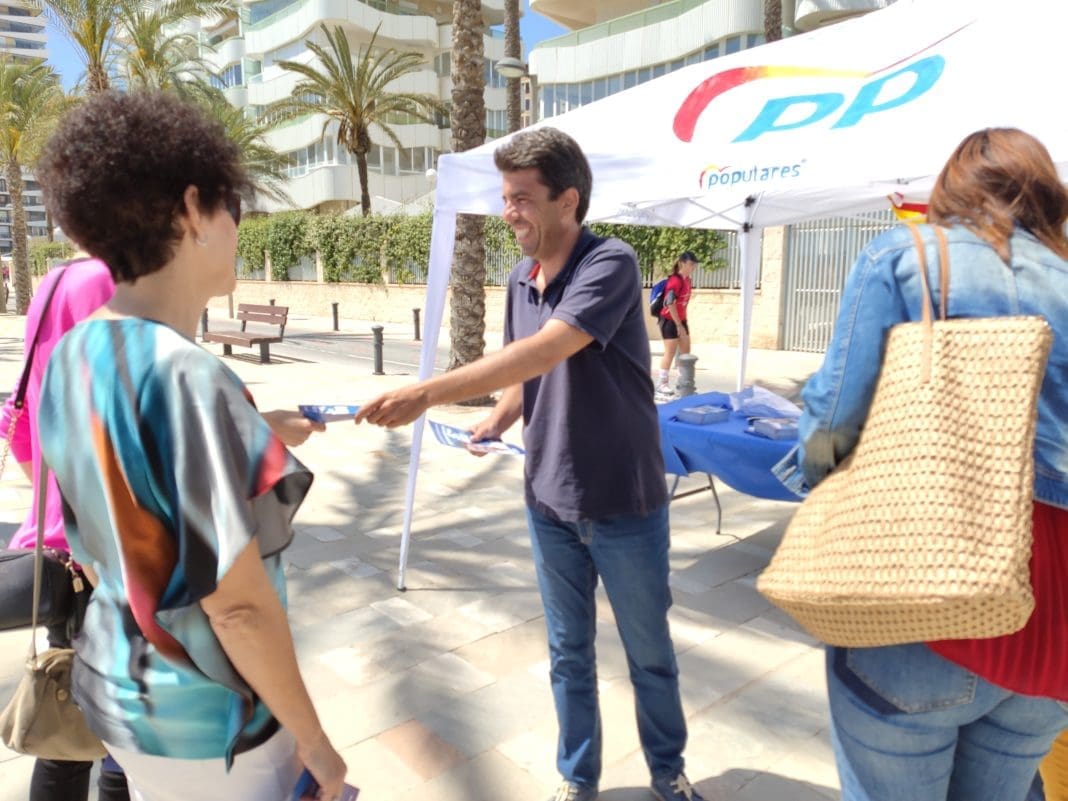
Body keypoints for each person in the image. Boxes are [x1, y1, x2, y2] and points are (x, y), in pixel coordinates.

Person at [355, 127, 704, 801]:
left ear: (567, 200)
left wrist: (426, 392)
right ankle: (578, 780)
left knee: (649, 654)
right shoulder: (520, 278)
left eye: (521, 197)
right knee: (568, 655)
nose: (507, 211)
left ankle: (668, 772)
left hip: (624, 503)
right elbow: (527, 372)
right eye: (505, 196)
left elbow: (547, 348)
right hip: (548, 500)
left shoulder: (611, 263)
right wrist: (497, 417)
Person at [29, 90, 346, 801]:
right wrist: (316, 742)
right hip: (210, 723)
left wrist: (253, 432)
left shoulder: (76, 352)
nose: (238, 227)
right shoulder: (189, 376)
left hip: (117, 692)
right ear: (193, 209)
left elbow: (114, 503)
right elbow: (236, 607)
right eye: (233, 207)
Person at [782, 128, 1068, 801]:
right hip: (1054, 616)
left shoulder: (907, 256)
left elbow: (832, 422)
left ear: (951, 189)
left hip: (925, 588)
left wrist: (821, 488)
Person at [655, 252, 697, 398]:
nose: (693, 267)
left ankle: (683, 383)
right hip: (669, 320)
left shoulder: (688, 281)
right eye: (691, 264)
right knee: (670, 352)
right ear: (682, 263)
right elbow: (670, 303)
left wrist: (682, 322)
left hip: (681, 320)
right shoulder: (675, 281)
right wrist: (678, 324)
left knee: (686, 352)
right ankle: (661, 384)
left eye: (694, 264)